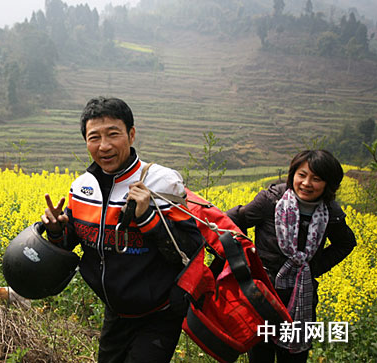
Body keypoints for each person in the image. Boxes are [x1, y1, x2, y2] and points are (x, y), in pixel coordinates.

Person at [41, 97, 203, 362]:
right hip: (115, 312)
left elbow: (191, 250)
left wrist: (148, 217)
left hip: (159, 314)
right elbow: (70, 245)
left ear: (131, 134)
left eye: (113, 134)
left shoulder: (161, 182)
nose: (104, 146)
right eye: (94, 137)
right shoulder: (82, 188)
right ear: (86, 141)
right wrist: (57, 230)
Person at [226, 149, 356, 362]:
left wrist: (314, 267)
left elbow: (346, 243)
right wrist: (246, 260)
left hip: (302, 294)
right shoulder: (270, 200)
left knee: (295, 356)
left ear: (328, 184)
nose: (306, 183)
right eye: (302, 175)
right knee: (261, 354)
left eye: (316, 179)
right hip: (264, 294)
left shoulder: (330, 212)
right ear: (292, 175)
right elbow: (233, 220)